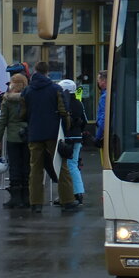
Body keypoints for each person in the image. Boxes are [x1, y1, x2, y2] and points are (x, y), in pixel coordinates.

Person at [22, 61, 67, 214]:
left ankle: (35, 203)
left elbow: (22, 113)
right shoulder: (56, 89)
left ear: (35, 71)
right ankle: (67, 200)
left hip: (34, 133)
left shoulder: (27, 91)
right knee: (60, 166)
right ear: (47, 72)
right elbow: (63, 111)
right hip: (53, 133)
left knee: (35, 169)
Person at [0, 72, 29, 209]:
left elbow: (3, 121)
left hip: (13, 137)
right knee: (27, 166)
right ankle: (27, 198)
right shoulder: (29, 98)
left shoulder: (7, 99)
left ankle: (15, 198)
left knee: (14, 167)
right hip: (27, 136)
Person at [58, 79, 87, 211]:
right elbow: (84, 121)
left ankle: (74, 194)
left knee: (68, 166)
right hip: (77, 138)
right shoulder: (79, 103)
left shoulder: (64, 104)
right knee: (73, 165)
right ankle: (76, 193)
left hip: (67, 138)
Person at [93, 70, 107, 148]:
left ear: (103, 81)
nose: (97, 82)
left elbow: (104, 118)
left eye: (98, 80)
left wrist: (98, 137)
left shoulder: (105, 97)